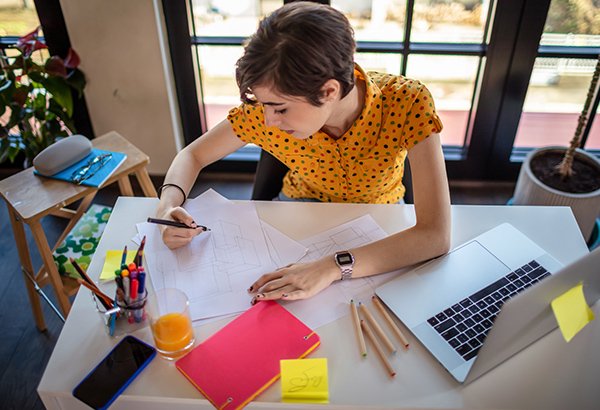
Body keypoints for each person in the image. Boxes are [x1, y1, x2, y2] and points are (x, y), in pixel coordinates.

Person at [155, 1, 451, 304]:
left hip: (380, 218)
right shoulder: (263, 112)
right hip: (298, 212)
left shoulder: (407, 102)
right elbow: (192, 156)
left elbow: (435, 236)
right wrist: (167, 208)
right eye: (265, 106)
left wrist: (332, 266)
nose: (269, 121)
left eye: (281, 108)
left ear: (328, 91)